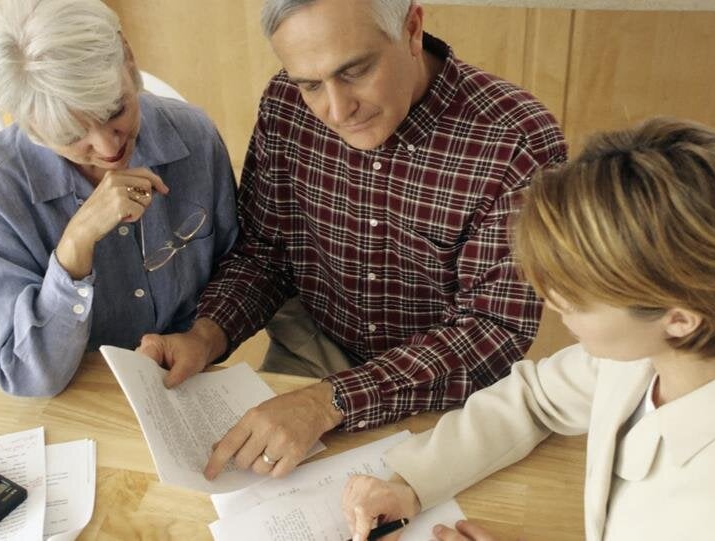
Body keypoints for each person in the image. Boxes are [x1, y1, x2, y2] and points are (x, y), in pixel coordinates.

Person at [341, 118, 715, 541]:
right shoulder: (674, 351)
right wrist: (412, 483)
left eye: (575, 296)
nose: (552, 303)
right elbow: (536, 397)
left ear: (679, 318)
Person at [138, 0, 566, 478]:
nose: (337, 111)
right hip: (313, 345)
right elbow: (266, 252)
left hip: (449, 383)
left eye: (356, 71)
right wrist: (206, 334)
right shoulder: (284, 104)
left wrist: (328, 402)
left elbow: (492, 330)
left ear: (412, 28)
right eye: (311, 84)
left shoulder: (517, 140)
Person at [0, 0, 238, 397]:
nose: (107, 148)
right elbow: (28, 379)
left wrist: (204, 339)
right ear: (29, 123)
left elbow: (239, 270)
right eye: (71, 134)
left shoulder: (194, 136)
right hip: (68, 389)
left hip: (180, 379)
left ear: (129, 59)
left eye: (114, 110)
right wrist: (74, 248)